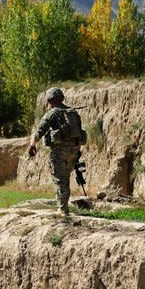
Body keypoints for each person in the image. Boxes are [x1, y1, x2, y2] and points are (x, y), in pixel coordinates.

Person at [27, 87, 86, 217]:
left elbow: (39, 131)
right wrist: (76, 151)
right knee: (65, 178)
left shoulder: (52, 113)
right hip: (73, 151)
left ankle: (63, 209)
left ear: (50, 100)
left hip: (59, 152)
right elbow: (79, 133)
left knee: (59, 179)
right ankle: (64, 206)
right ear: (62, 98)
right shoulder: (73, 113)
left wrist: (32, 145)